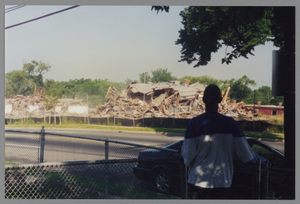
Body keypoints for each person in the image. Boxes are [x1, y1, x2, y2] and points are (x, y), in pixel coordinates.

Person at [181, 84, 255, 199]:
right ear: (220, 100)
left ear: (203, 100)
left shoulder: (194, 123)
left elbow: (188, 156)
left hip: (198, 183)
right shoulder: (231, 124)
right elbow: (246, 156)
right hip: (223, 183)